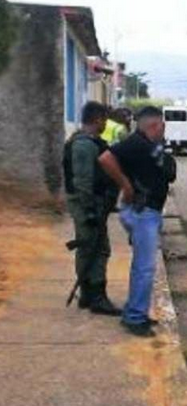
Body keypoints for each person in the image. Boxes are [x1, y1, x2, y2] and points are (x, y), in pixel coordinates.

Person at [98, 106, 177, 337]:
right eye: (162, 124)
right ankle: (134, 318)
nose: (164, 128)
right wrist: (125, 185)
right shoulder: (135, 143)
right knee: (144, 268)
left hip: (147, 213)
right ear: (154, 125)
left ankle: (135, 311)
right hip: (142, 213)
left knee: (141, 267)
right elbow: (105, 158)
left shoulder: (150, 145)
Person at [62, 101, 121, 315]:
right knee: (97, 248)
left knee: (88, 247)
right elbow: (83, 181)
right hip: (87, 204)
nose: (106, 123)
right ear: (97, 120)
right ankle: (97, 297)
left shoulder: (87, 141)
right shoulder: (84, 145)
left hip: (92, 203)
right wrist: (90, 212)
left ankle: (88, 295)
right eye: (104, 119)